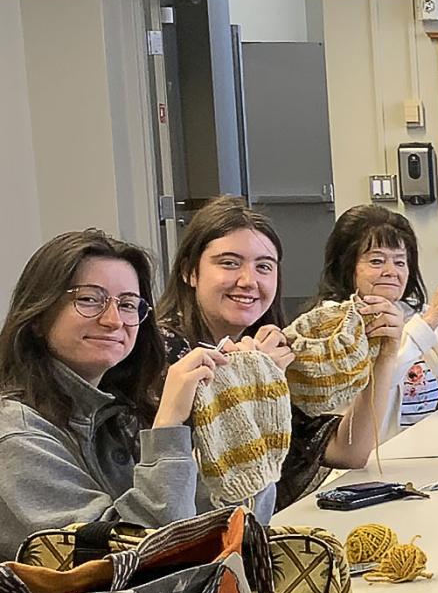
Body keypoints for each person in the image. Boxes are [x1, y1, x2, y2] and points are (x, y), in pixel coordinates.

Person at [0, 230, 272, 558]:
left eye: (128, 304)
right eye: (89, 299)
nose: (114, 320)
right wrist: (169, 425)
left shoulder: (120, 412)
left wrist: (241, 413)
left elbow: (232, 527)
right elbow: (138, 558)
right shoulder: (17, 433)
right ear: (38, 316)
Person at [157, 197, 409, 509]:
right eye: (229, 263)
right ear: (189, 272)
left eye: (264, 267)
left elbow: (349, 451)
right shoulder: (163, 353)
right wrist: (251, 377)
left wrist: (384, 354)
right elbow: (198, 492)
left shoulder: (269, 344)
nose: (249, 281)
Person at [311, 205, 438, 429]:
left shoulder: (415, 313)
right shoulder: (329, 323)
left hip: (433, 445)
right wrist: (429, 323)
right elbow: (371, 389)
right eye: (377, 261)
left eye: (400, 262)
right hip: (372, 455)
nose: (392, 271)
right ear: (347, 265)